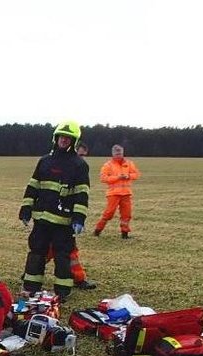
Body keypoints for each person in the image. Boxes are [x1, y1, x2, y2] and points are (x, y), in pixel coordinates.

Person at [19, 121, 90, 300]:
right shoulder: (44, 161)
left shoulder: (79, 164)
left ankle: (62, 292)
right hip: (41, 219)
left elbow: (82, 193)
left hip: (63, 221)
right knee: (36, 252)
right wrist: (26, 208)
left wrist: (79, 218)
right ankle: (31, 287)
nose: (63, 140)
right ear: (55, 138)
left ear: (73, 141)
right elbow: (33, 186)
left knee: (62, 256)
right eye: (61, 137)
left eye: (68, 138)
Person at [45, 141, 96, 290]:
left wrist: (78, 217)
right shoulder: (57, 164)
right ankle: (33, 270)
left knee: (66, 249)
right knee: (49, 248)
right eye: (79, 155)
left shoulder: (79, 168)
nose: (81, 159)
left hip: (67, 217)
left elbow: (80, 195)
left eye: (83, 156)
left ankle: (78, 278)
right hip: (54, 216)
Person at [94, 144, 140, 239]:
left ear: (123, 153)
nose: (119, 155)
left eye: (120, 153)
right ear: (113, 154)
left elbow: (136, 174)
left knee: (126, 214)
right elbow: (103, 178)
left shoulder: (129, 163)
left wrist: (129, 176)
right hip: (113, 193)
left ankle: (125, 233)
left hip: (126, 193)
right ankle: (97, 230)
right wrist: (118, 177)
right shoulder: (108, 165)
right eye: (117, 154)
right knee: (109, 213)